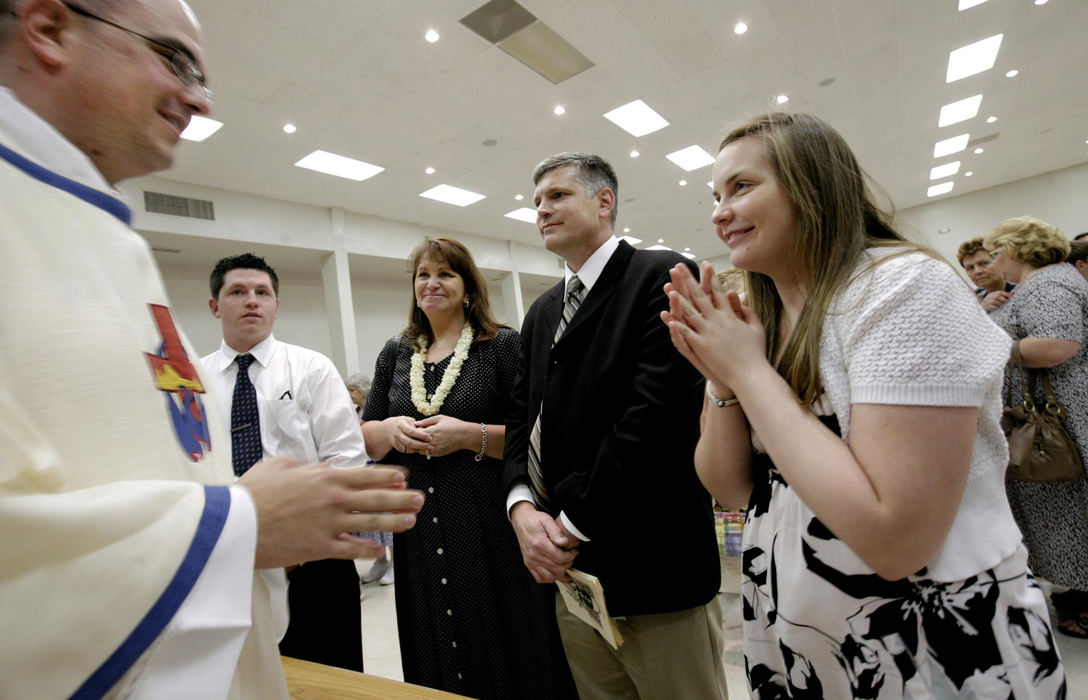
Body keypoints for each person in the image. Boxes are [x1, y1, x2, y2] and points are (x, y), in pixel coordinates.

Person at [0, 1, 421, 697]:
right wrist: (238, 526)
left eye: (202, 76)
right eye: (174, 59)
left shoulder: (102, 233)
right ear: (50, 28)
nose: (197, 98)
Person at [662, 113, 1066, 697]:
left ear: (813, 185)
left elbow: (896, 539)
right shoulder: (761, 315)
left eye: (742, 187)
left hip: (930, 635)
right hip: (799, 627)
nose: (719, 212)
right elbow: (733, 489)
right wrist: (725, 382)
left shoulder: (903, 287)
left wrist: (747, 372)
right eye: (716, 195)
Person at [504, 153, 727, 699]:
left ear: (604, 202)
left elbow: (655, 420)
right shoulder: (542, 312)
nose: (542, 209)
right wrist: (521, 508)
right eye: (537, 202)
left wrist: (570, 525)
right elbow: (520, 421)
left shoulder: (661, 276)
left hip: (656, 569)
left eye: (557, 196)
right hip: (574, 582)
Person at [363, 237, 575, 699]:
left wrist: (467, 435)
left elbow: (536, 437)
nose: (432, 284)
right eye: (423, 275)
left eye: (445, 274)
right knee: (435, 637)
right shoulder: (396, 352)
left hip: (488, 523)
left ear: (468, 286)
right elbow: (366, 437)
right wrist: (393, 428)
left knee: (509, 636)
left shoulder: (500, 346)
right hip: (418, 530)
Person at [201, 253, 370, 672]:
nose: (252, 301)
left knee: (330, 679)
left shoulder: (311, 368)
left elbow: (346, 461)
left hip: (314, 562)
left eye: (263, 293)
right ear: (215, 306)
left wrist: (297, 540)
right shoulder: (195, 379)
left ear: (277, 305)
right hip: (228, 563)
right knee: (248, 679)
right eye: (237, 292)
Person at [985, 216, 1088, 640]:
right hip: (1056, 410)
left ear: (1016, 249)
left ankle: (1081, 602)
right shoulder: (1045, 283)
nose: (993, 264)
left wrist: (993, 346)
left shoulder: (1048, 285)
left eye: (996, 254)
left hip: (1064, 415)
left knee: (1069, 507)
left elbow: (1057, 345)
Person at [347, 372, 394, 586]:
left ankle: (394, 565)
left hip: (380, 470)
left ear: (362, 388)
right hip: (362, 473)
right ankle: (380, 561)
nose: (350, 394)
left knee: (386, 519)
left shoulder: (379, 410)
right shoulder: (354, 413)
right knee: (370, 522)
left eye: (352, 389)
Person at [957, 237, 1015, 312]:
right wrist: (982, 309)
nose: (977, 271)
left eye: (984, 263)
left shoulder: (1021, 288)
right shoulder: (972, 302)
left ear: (999, 261)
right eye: (970, 268)